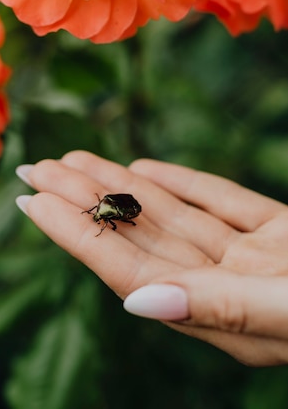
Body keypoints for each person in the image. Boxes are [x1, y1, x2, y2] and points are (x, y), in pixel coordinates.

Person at [15, 150, 288, 367]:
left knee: (123, 221)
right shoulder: (104, 206)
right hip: (122, 203)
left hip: (127, 206)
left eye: (99, 216)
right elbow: (103, 208)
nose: (98, 217)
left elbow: (113, 211)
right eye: (98, 215)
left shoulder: (111, 212)